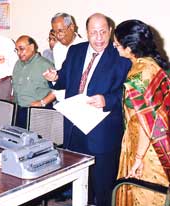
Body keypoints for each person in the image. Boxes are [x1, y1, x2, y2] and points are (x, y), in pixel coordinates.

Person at [43, 13, 131, 206]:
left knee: (103, 188)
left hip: (102, 132)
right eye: (94, 33)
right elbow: (65, 78)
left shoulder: (121, 56)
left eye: (103, 32)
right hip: (74, 128)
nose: (99, 38)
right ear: (86, 33)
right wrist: (55, 78)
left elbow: (128, 93)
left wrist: (106, 99)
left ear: (110, 31)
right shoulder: (75, 50)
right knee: (79, 185)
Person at [113, 19, 170, 206]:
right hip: (163, 141)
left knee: (145, 195)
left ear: (129, 49)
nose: (114, 46)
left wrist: (137, 159)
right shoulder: (154, 64)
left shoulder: (137, 76)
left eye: (117, 44)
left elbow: (147, 123)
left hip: (148, 149)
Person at [13, 35, 55, 128]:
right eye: (17, 50)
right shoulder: (17, 64)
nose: (19, 53)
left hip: (38, 112)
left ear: (32, 47)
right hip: (19, 111)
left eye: (22, 49)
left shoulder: (44, 65)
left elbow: (57, 90)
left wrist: (42, 103)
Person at [51, 13, 84, 101]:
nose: (58, 35)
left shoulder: (85, 47)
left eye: (60, 31)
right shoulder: (57, 48)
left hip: (78, 100)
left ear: (72, 27)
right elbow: (60, 77)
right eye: (55, 31)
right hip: (61, 100)